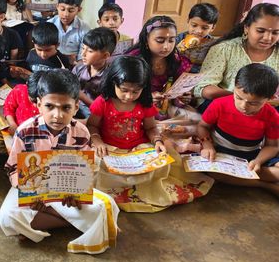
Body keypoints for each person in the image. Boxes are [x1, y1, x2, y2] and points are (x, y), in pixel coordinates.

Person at [0, 69, 119, 254]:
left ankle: (50, 222)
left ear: (76, 107)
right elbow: (13, 169)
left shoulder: (81, 132)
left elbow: (85, 170)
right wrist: (28, 193)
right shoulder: (24, 131)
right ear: (39, 104)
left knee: (106, 206)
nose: (57, 115)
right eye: (50, 106)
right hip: (35, 192)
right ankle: (70, 222)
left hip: (65, 194)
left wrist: (77, 195)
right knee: (6, 217)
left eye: (65, 108)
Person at [87, 56, 212, 212]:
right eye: (124, 90)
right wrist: (97, 141)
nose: (129, 96)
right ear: (113, 83)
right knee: (98, 166)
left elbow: (151, 128)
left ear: (143, 88)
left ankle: (135, 186)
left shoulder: (144, 103)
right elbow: (92, 125)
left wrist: (157, 141)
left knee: (161, 163)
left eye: (135, 92)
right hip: (110, 148)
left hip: (139, 147)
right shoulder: (103, 102)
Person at [198, 64, 279, 196]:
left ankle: (251, 175)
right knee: (213, 172)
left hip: (252, 155)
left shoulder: (272, 116)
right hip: (222, 152)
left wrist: (258, 161)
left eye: (253, 103)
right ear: (234, 88)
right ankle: (264, 185)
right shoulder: (219, 104)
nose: (243, 106)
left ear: (270, 99)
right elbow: (202, 126)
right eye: (239, 97)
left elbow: (272, 146)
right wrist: (207, 144)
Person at [195, 3, 279, 111]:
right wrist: (244, 99)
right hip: (226, 107)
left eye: (275, 33)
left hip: (267, 110)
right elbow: (204, 89)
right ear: (246, 28)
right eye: (260, 31)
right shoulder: (224, 49)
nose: (268, 38)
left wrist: (262, 103)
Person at [128, 16, 192, 113]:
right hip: (134, 104)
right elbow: (122, 92)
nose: (166, 47)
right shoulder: (132, 61)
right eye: (160, 41)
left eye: (171, 40)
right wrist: (145, 98)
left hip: (163, 107)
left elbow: (176, 93)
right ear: (146, 40)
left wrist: (181, 98)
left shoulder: (177, 61)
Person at [72, 27, 117, 117]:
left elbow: (104, 110)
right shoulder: (79, 69)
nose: (83, 54)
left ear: (105, 55)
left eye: (89, 51)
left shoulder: (110, 77)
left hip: (94, 115)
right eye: (83, 48)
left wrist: (82, 97)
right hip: (74, 108)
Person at [48, 0, 90, 65]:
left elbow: (83, 59)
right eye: (62, 9)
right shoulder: (49, 25)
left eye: (71, 10)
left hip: (74, 66)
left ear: (79, 10)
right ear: (57, 7)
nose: (66, 14)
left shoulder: (84, 29)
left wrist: (75, 64)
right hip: (52, 64)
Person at [176, 3, 219, 72]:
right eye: (194, 25)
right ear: (188, 21)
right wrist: (176, 51)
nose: (198, 31)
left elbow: (211, 66)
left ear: (212, 28)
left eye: (204, 28)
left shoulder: (213, 45)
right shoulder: (178, 39)